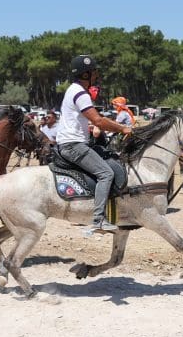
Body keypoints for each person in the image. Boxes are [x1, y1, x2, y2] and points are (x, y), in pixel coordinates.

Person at [54, 55, 133, 234]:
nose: (97, 75)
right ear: (85, 75)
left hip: (72, 142)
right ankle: (98, 219)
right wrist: (123, 129)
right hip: (73, 145)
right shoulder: (81, 94)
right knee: (106, 173)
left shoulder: (73, 90)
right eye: (94, 72)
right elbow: (99, 121)